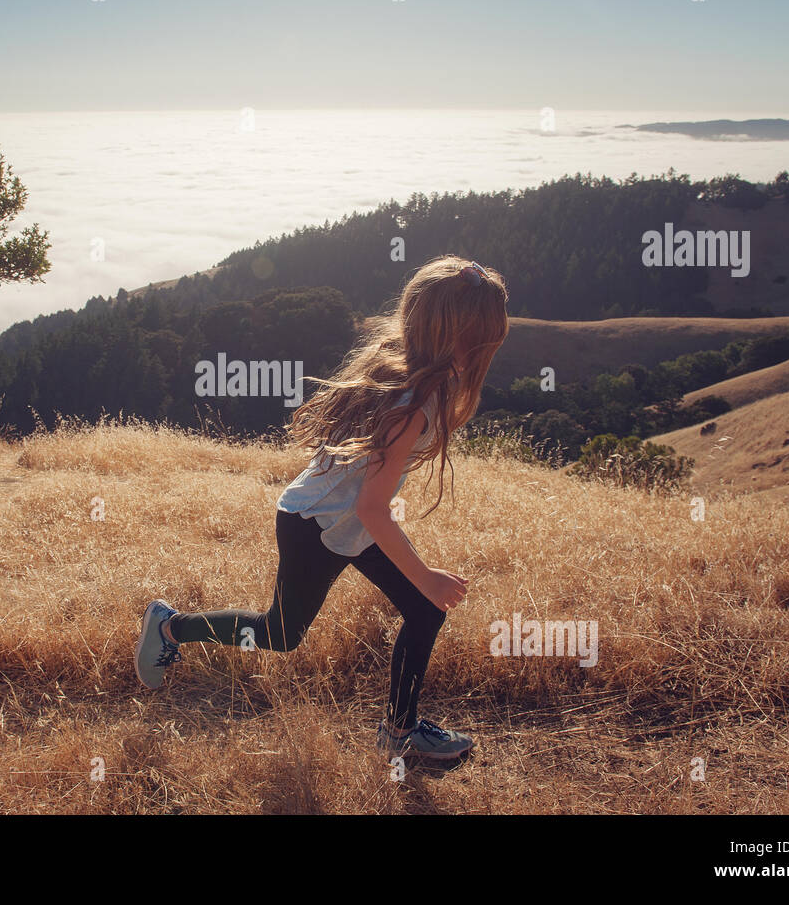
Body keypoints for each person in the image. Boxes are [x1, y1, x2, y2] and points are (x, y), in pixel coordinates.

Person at [135, 255, 510, 760]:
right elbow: (374, 508)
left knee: (424, 611)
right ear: (463, 339)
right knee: (281, 633)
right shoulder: (413, 405)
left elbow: (368, 505)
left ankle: (399, 733)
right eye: (487, 338)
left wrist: (422, 583)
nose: (489, 350)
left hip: (345, 523)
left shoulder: (415, 375)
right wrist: (425, 574)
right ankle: (169, 625)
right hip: (313, 526)